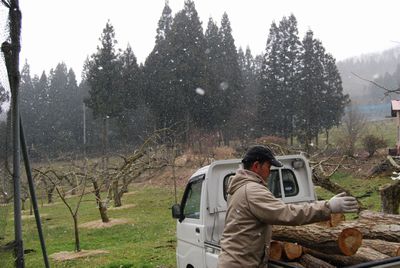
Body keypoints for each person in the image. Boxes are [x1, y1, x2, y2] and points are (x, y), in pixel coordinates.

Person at [217, 145, 358, 268]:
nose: (270, 171)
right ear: (256, 166)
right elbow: (287, 213)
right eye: (268, 166)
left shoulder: (240, 187)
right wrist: (328, 207)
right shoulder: (252, 190)